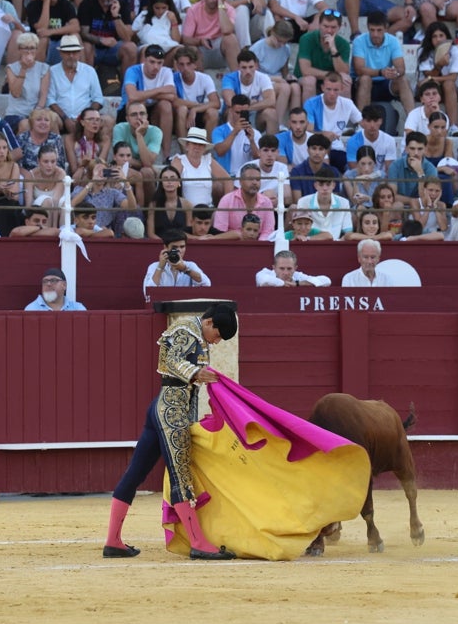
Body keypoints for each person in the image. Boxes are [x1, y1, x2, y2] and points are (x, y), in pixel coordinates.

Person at [104, 301, 238, 560]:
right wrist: (195, 373)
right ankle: (198, 542)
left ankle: (113, 541)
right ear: (209, 323)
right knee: (181, 475)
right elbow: (170, 359)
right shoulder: (185, 330)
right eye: (218, 335)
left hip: (169, 409)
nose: (217, 341)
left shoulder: (196, 336)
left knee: (135, 474)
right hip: (170, 411)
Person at [144, 229, 212, 292]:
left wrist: (185, 269)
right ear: (165, 247)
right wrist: (160, 267)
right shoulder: (155, 266)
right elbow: (147, 292)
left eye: (182, 247)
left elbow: (207, 284)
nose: (179, 250)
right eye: (174, 247)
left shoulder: (190, 265)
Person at [256, 249, 331, 287]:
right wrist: (284, 284)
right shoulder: (265, 273)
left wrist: (298, 283)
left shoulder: (297, 276)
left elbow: (326, 280)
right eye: (281, 268)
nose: (286, 273)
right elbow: (263, 280)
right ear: (274, 268)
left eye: (289, 269)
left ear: (295, 268)